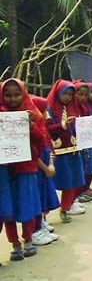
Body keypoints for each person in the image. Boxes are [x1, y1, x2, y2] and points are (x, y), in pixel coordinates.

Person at [1, 78, 44, 260]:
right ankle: (15, 244)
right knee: (7, 208)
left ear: (24, 94)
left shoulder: (32, 113)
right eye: (7, 95)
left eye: (17, 94)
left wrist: (31, 125)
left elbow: (41, 140)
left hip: (26, 168)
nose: (12, 99)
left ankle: (28, 239)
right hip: (4, 171)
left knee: (27, 204)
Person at [45, 79, 86, 223]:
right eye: (65, 94)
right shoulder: (49, 109)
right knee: (49, 183)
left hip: (73, 150)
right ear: (58, 93)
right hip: (56, 152)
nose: (68, 97)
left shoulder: (73, 108)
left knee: (72, 181)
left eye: (70, 94)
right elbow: (46, 129)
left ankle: (65, 208)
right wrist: (62, 125)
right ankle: (43, 217)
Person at [29, 95, 59, 244]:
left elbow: (48, 147)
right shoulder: (32, 131)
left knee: (44, 197)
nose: (46, 114)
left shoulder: (42, 129)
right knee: (37, 199)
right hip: (38, 170)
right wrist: (46, 168)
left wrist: (51, 164)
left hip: (45, 170)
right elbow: (34, 154)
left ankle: (41, 224)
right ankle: (35, 231)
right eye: (42, 110)